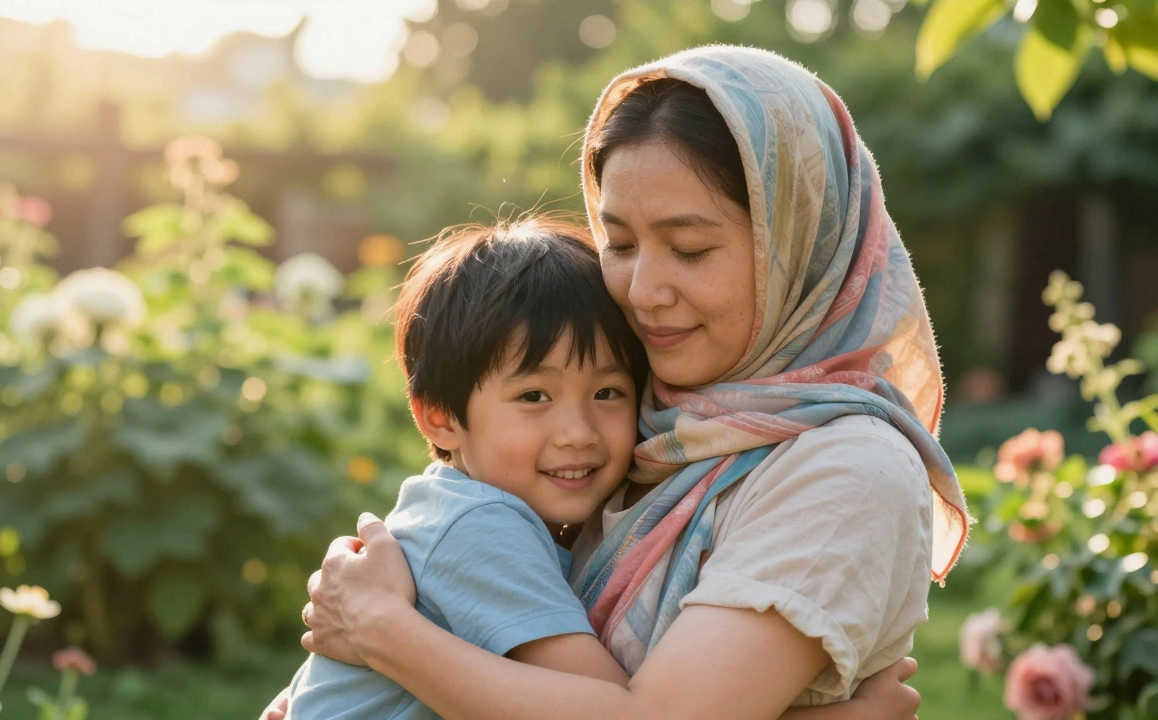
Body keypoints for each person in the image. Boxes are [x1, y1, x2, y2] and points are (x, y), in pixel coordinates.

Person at [285, 46, 970, 720]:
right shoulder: (649, 428)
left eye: (690, 248)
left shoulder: (846, 467)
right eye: (619, 243)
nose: (642, 292)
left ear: (800, 243)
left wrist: (380, 630)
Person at [272, 218, 921, 720]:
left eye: (608, 392)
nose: (578, 434)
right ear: (439, 416)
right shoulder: (478, 526)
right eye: (534, 397)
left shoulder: (470, 508)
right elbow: (617, 711)